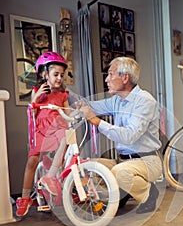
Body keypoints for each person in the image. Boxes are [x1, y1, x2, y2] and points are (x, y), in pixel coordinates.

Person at [78, 57, 162, 214]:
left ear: (125, 78)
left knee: (120, 173)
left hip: (147, 161)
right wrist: (72, 101)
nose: (106, 79)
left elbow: (129, 136)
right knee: (88, 167)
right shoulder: (117, 100)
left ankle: (150, 193)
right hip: (123, 160)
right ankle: (124, 191)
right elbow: (92, 106)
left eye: (110, 74)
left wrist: (96, 121)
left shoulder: (145, 101)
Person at [16, 51, 70, 217]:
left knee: (67, 140)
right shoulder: (37, 91)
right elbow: (32, 110)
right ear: (44, 74)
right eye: (55, 74)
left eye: (61, 75)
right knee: (32, 161)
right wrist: (37, 96)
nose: (59, 78)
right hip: (41, 131)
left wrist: (76, 112)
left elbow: (67, 112)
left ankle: (53, 176)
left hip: (57, 128)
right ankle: (25, 197)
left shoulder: (63, 95)